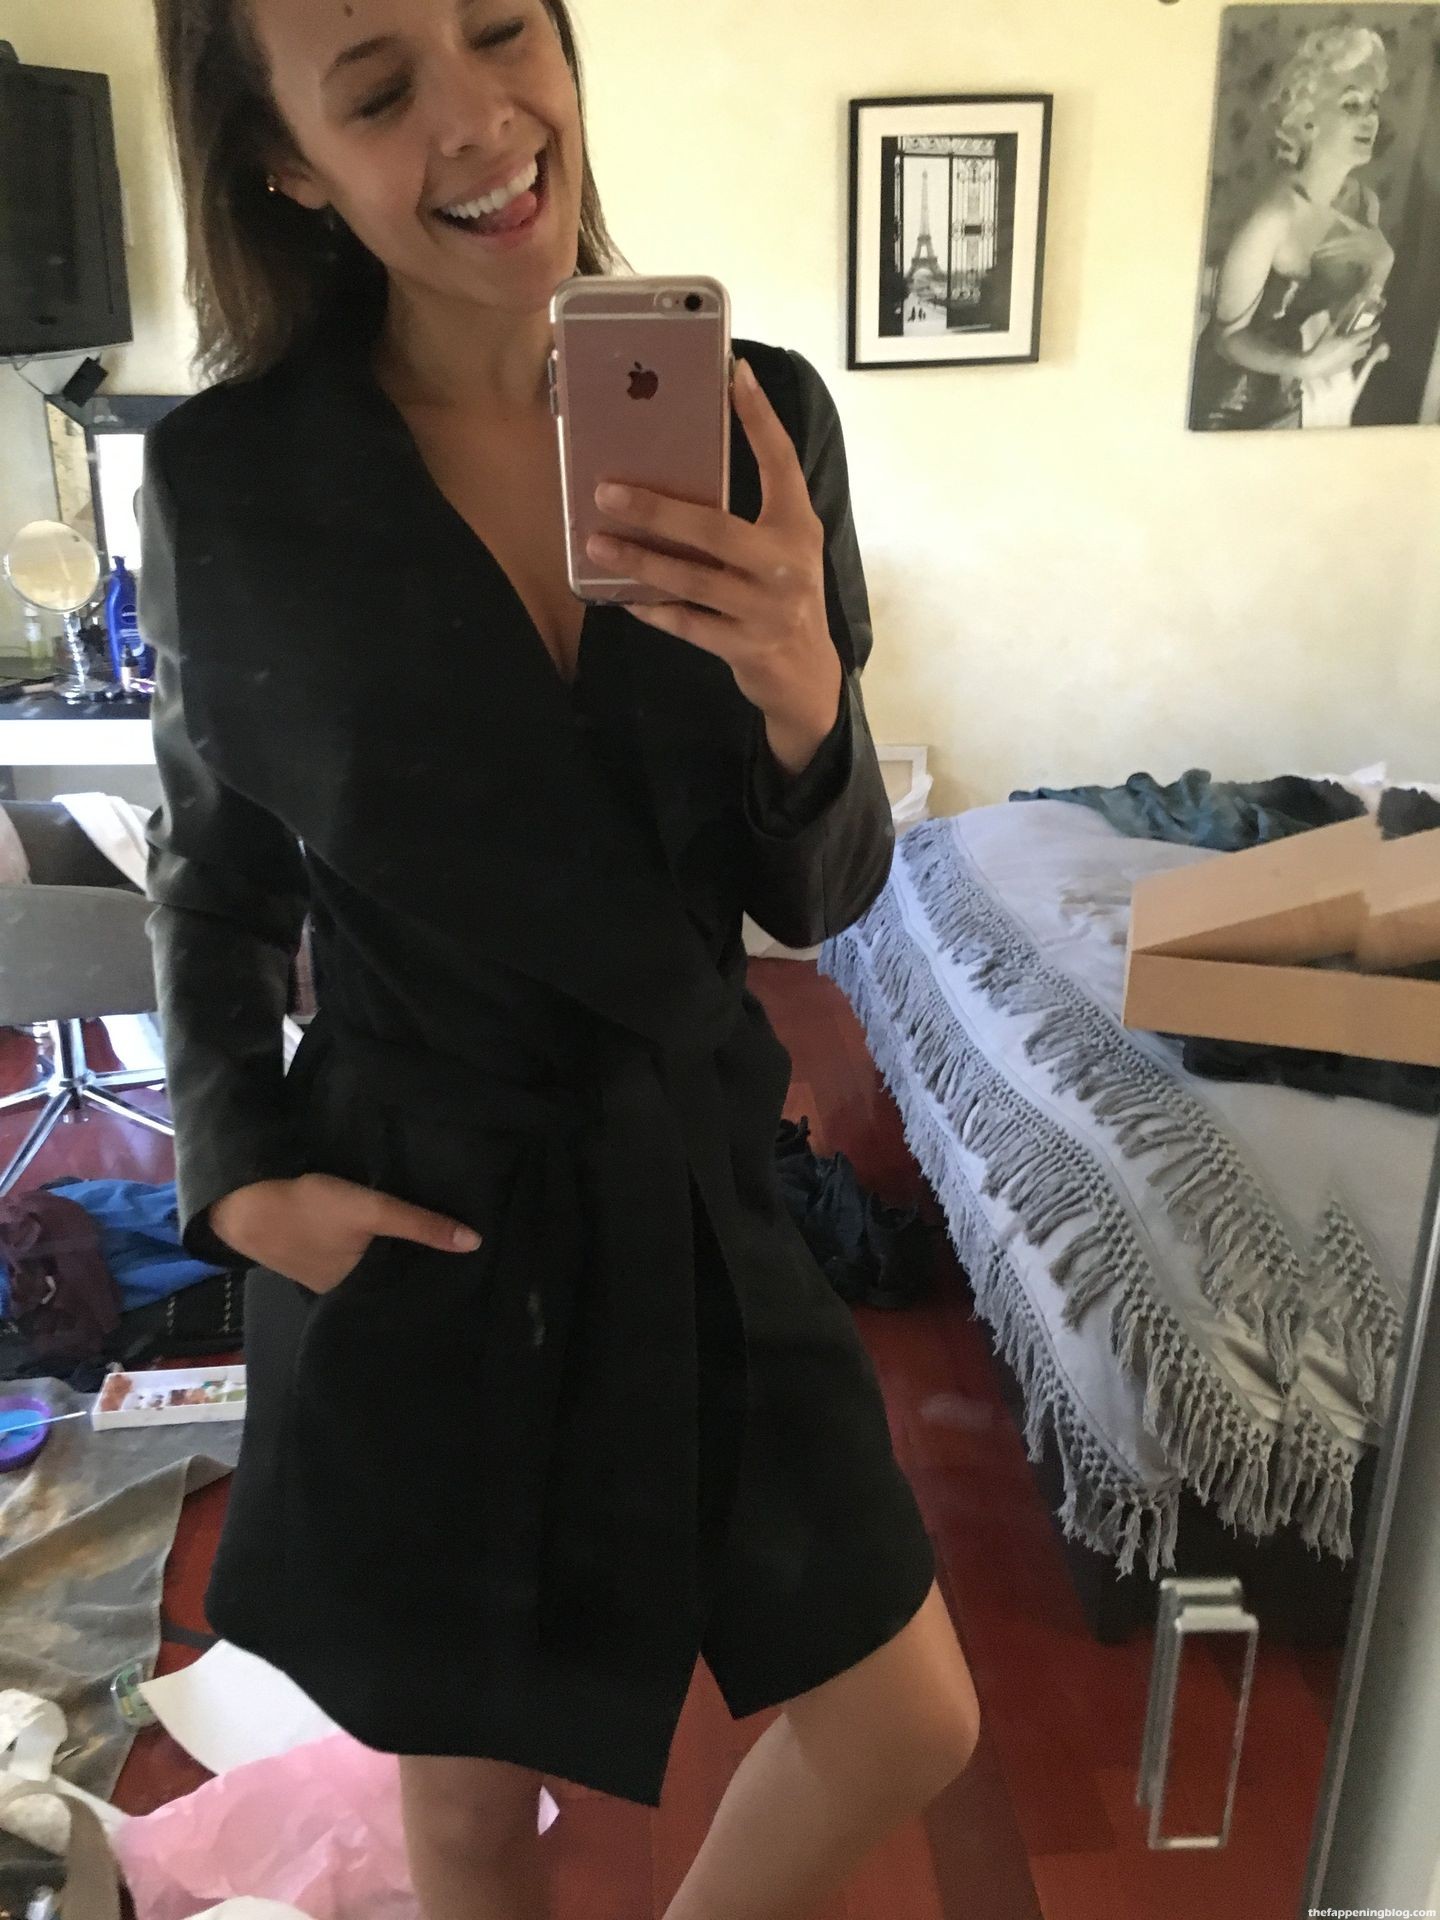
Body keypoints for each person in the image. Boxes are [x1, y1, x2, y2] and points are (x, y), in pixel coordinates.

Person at [140, 2, 981, 1917]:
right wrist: (239, 1172)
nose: (480, 115)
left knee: (903, 1717)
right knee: (468, 1811)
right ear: (288, 167)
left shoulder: (758, 415)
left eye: (503, 26)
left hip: (692, 1180)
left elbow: (823, 894)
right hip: (425, 1204)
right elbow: (214, 874)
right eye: (378, 90)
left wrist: (806, 691)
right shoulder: (234, 481)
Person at [1191, 24, 1396, 431]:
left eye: (1372, 104)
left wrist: (1382, 262)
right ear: (1308, 120)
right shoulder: (1274, 217)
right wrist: (1305, 365)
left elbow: (1352, 317)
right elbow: (1227, 340)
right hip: (1234, 406)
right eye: (1351, 105)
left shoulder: (1364, 203)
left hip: (1300, 396)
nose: (1370, 118)